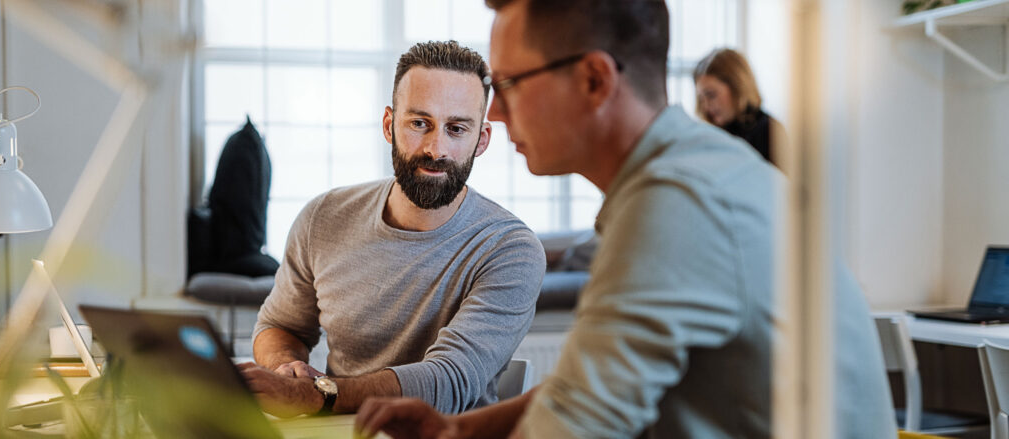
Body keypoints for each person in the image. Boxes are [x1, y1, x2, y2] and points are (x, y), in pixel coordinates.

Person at [354, 1, 896, 438]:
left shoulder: (678, 205)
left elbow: (573, 427)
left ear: (594, 80)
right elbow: (583, 387)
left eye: (511, 83)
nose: (494, 113)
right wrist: (459, 429)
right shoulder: (686, 169)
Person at [237, 40, 546, 418]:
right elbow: (281, 326)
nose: (436, 148)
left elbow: (447, 382)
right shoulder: (323, 217)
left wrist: (313, 395)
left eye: (456, 129)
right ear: (389, 125)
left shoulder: (510, 250)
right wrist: (286, 367)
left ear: (481, 140)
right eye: (419, 123)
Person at [693, 48, 793, 176]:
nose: (706, 106)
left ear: (737, 87)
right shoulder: (709, 135)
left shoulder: (769, 130)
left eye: (711, 95)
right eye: (701, 99)